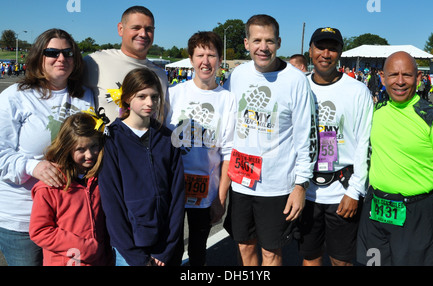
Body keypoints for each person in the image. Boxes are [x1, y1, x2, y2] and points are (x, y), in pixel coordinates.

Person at [223, 14, 317, 266]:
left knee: (271, 251)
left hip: (277, 185)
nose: (262, 47)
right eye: (256, 40)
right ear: (246, 43)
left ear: (279, 42)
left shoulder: (296, 81)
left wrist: (300, 186)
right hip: (241, 182)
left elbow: (306, 137)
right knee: (244, 244)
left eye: (269, 41)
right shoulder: (237, 75)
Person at [0, 28, 96, 266]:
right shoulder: (16, 96)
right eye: (52, 52)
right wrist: (33, 167)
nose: (61, 58)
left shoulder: (85, 96)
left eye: (68, 53)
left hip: (71, 216)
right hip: (23, 217)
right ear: (38, 56)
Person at [356, 51, 433, 266]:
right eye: (393, 75)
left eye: (407, 75)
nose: (400, 81)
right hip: (376, 210)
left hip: (417, 214)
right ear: (382, 78)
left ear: (418, 79)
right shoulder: (376, 112)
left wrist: (425, 192)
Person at [296, 27, 373, 266]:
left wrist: (355, 191)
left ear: (340, 52)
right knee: (310, 258)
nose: (325, 53)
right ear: (310, 51)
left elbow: (365, 143)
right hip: (306, 191)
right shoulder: (298, 87)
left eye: (332, 48)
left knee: (341, 261)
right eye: (320, 47)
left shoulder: (358, 91)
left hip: (342, 190)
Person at [99, 68, 185, 266]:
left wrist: (166, 248)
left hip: (164, 247)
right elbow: (112, 203)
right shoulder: (112, 140)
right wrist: (134, 256)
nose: (150, 103)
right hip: (129, 250)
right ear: (128, 98)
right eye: (142, 96)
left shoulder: (168, 138)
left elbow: (177, 197)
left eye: (154, 97)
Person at [166, 31, 236, 266]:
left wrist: (220, 198)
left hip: (206, 192)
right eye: (200, 55)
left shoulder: (228, 99)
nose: (205, 61)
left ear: (219, 59)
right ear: (190, 58)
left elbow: (228, 153)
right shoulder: (173, 94)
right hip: (173, 189)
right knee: (170, 250)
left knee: (198, 251)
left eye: (211, 55)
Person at [29, 112, 114, 266]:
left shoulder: (103, 179)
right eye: (80, 149)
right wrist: (84, 247)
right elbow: (40, 231)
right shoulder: (50, 186)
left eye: (94, 146)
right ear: (67, 148)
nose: (89, 155)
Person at [83, 5, 168, 121]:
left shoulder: (161, 75)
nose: (143, 34)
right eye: (136, 28)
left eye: (149, 29)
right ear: (120, 29)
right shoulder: (95, 62)